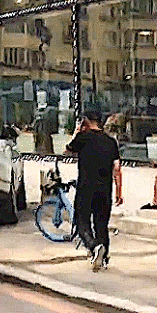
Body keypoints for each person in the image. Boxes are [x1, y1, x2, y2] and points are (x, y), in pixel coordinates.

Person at [65, 110, 123, 272]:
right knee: (101, 224)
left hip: (86, 188)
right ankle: (104, 258)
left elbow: (68, 149)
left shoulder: (83, 138)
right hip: (105, 189)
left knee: (81, 220)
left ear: (86, 121)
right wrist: (119, 191)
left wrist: (77, 131)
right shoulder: (111, 141)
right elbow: (117, 168)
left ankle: (94, 246)